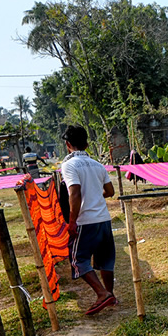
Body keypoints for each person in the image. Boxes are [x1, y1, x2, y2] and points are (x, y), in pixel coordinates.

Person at [60, 125, 117, 315]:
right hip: (103, 219)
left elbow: (74, 193)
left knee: (78, 258)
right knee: (106, 260)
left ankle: (102, 293)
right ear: (86, 144)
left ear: (68, 145)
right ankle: (111, 295)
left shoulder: (68, 165)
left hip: (85, 221)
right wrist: (94, 194)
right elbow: (110, 192)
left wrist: (72, 221)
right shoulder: (97, 165)